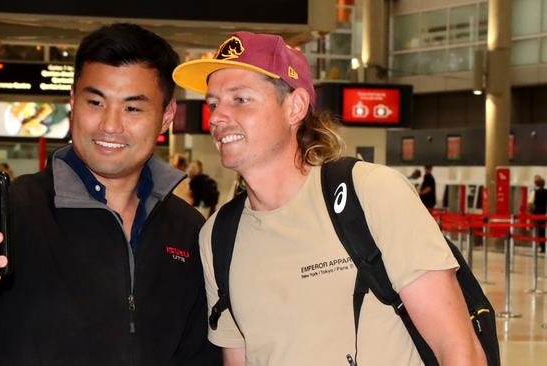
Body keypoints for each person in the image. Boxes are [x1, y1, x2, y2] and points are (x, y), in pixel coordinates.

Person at [0, 24, 221, 365]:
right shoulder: (18, 209)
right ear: (72, 101)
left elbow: (198, 352)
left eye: (132, 108)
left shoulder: (186, 228)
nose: (110, 125)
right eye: (95, 102)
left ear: (166, 116)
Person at [173, 31, 485, 365]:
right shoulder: (219, 236)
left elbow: (457, 348)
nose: (217, 117)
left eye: (241, 99)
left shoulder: (371, 194)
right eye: (213, 104)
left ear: (295, 106)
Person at [529, 175, 546, 252]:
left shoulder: (534, 192)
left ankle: (536, 245)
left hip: (536, 212)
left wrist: (530, 211)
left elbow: (530, 202)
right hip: (544, 212)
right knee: (543, 230)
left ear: (536, 184)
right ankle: (543, 247)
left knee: (536, 229)